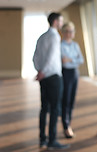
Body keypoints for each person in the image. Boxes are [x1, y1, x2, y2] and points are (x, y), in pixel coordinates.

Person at [33, 12, 70, 150]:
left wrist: (39, 71)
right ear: (55, 22)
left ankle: (43, 139)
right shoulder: (55, 36)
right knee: (55, 109)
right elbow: (51, 56)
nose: (62, 23)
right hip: (53, 77)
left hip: (44, 78)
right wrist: (43, 71)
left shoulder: (42, 37)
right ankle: (52, 141)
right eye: (60, 21)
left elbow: (35, 57)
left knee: (44, 108)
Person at [61, 22, 84, 139]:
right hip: (66, 74)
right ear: (64, 33)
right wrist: (73, 59)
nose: (70, 34)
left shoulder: (75, 45)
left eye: (72, 31)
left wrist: (70, 59)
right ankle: (66, 126)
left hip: (75, 73)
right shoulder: (60, 45)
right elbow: (63, 63)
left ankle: (68, 123)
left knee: (72, 100)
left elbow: (81, 60)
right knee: (66, 99)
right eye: (68, 31)